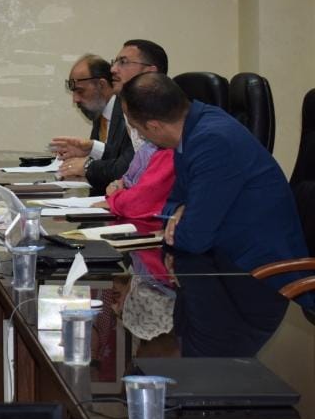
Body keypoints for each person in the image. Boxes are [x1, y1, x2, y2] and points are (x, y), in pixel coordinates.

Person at [120, 73, 309, 303]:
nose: (139, 135)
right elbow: (170, 205)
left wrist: (181, 219)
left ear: (154, 126)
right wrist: (179, 210)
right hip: (224, 269)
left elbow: (193, 238)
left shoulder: (212, 141)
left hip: (261, 282)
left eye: (137, 128)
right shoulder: (191, 130)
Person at [52, 54, 133, 195]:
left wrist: (87, 165)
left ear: (101, 85)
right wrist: (91, 151)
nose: (75, 99)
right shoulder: (99, 112)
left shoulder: (128, 112)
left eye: (80, 91)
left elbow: (125, 167)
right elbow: (111, 158)